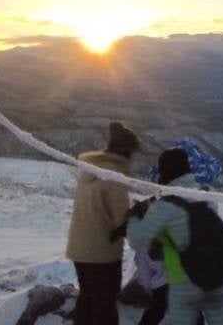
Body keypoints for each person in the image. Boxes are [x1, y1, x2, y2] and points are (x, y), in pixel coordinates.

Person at [126, 149, 223, 325]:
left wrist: (133, 217)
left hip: (175, 277)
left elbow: (141, 248)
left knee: (159, 311)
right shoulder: (206, 194)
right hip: (207, 270)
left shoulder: (160, 207)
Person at [66, 121, 138, 325]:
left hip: (79, 248)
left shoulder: (91, 170)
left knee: (87, 299)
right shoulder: (114, 177)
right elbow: (121, 219)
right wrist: (140, 214)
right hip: (102, 253)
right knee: (104, 305)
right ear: (125, 151)